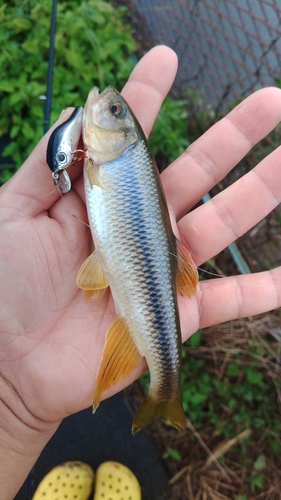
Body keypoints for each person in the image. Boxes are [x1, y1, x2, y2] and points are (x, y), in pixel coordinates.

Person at [0, 45, 280, 499]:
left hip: (139, 283)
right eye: (114, 108)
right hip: (135, 275)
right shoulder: (110, 161)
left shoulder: (108, 163)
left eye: (113, 110)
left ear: (121, 133)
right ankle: (164, 390)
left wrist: (11, 407)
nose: (104, 105)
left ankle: (164, 388)